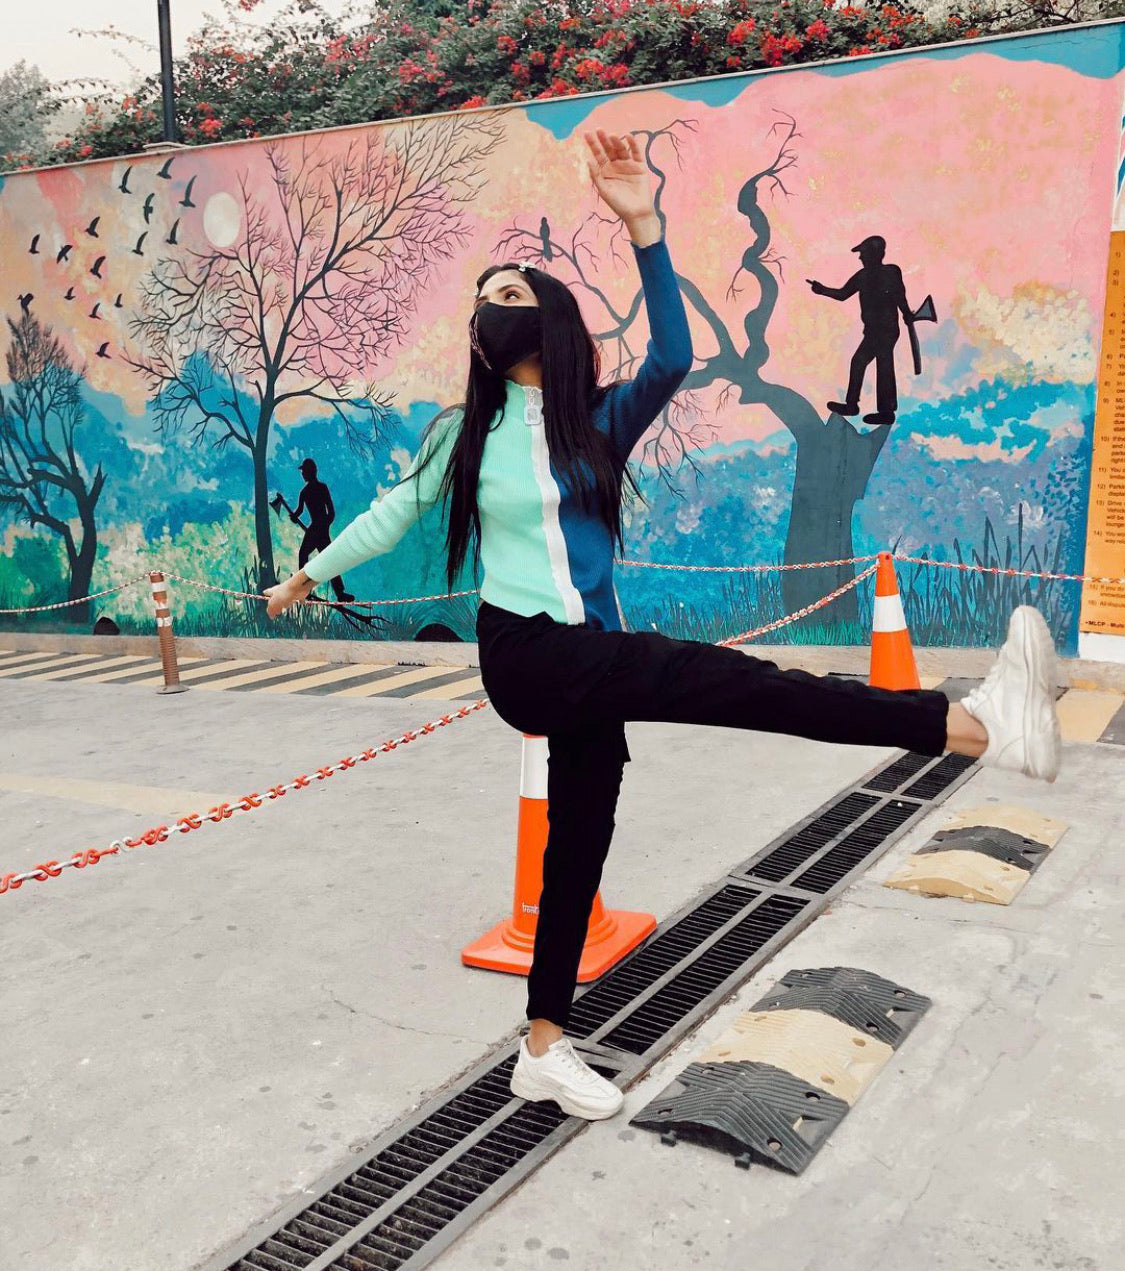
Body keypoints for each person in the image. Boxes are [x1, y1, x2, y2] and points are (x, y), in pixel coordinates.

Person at [264, 130, 1062, 1123]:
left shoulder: (596, 420)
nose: (490, 306)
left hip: (585, 653)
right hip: (528, 651)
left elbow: (675, 356)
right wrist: (307, 575)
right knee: (752, 685)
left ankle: (542, 1046)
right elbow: (394, 513)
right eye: (484, 299)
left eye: (510, 292)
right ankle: (974, 726)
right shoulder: (462, 436)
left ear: (550, 320)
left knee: (578, 841)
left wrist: (645, 226)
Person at [808, 235, 915, 426]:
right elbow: (843, 294)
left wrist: (906, 313)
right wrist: (822, 290)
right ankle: (852, 405)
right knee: (859, 361)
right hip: (872, 331)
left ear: (875, 254)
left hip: (887, 330)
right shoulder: (862, 276)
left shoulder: (891, 272)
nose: (860, 257)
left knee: (884, 365)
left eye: (863, 253)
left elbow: (900, 295)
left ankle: (886, 411)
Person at [293, 458, 354, 604]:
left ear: (311, 472)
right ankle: (337, 593)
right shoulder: (305, 492)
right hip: (318, 528)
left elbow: (330, 511)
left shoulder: (320, 489)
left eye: (304, 471)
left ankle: (309, 589)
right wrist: (295, 517)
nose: (303, 474)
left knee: (305, 555)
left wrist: (324, 525)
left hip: (318, 528)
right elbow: (299, 511)